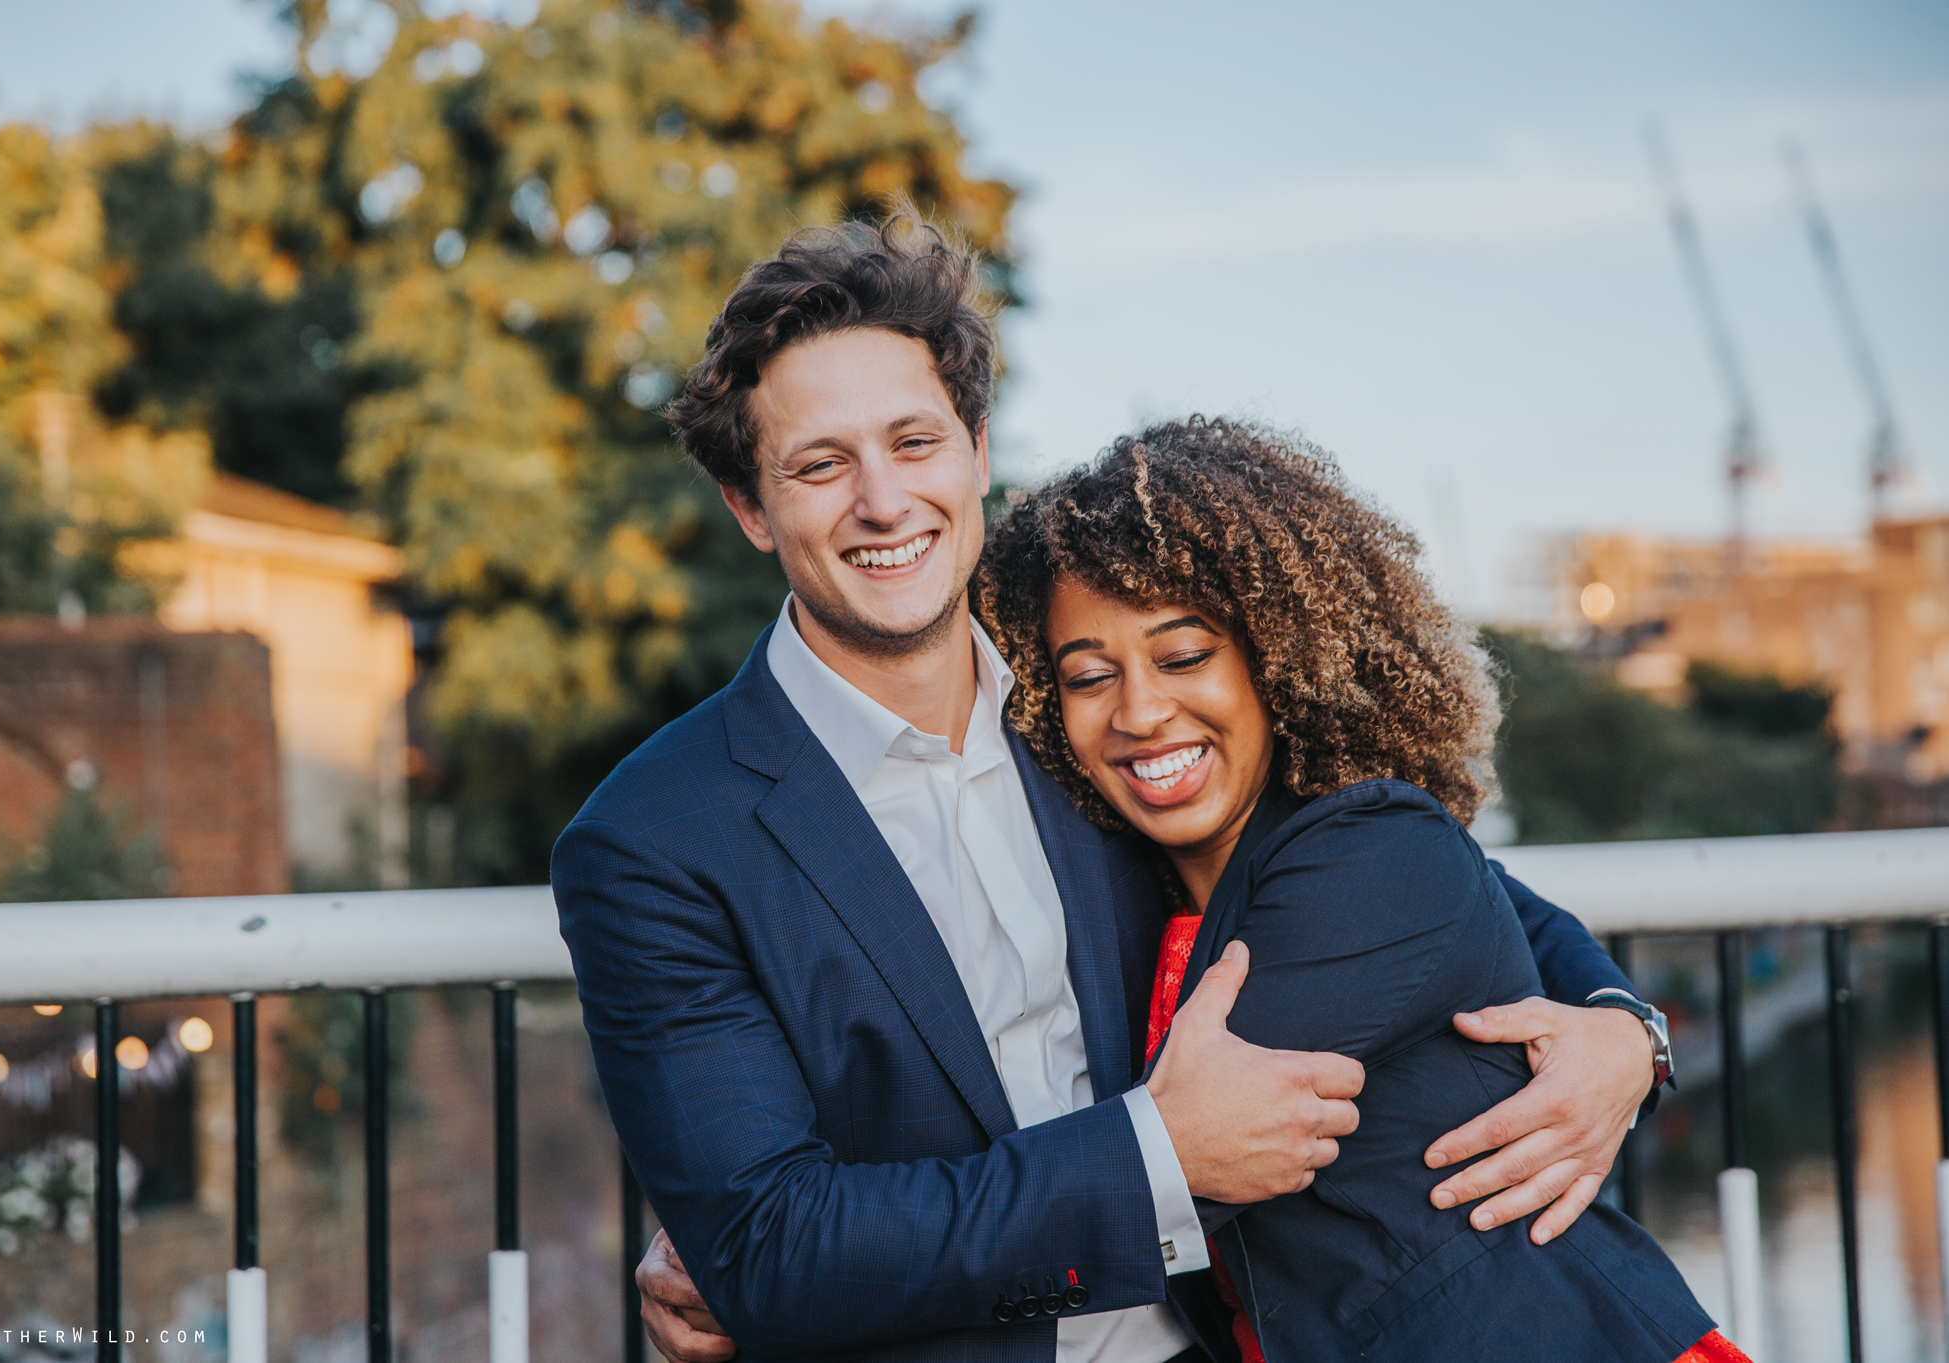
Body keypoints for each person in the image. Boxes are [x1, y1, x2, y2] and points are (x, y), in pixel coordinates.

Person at [551, 208, 1666, 1363]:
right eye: (819, 465)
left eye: (914, 443)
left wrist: (1621, 1031)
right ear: (750, 507)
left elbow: (1403, 865)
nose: (881, 502)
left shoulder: (1090, 696)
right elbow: (773, 1249)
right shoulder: (652, 839)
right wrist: (1160, 1158)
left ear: (976, 450)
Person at [970, 417, 1743, 1362]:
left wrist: (799, 1263)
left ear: (1278, 657)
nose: (1137, 711)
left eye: (1183, 656)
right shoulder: (1141, 880)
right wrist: (1628, 1022)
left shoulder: (1368, 851)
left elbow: (1160, 1171)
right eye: (1088, 675)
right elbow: (1517, 904)